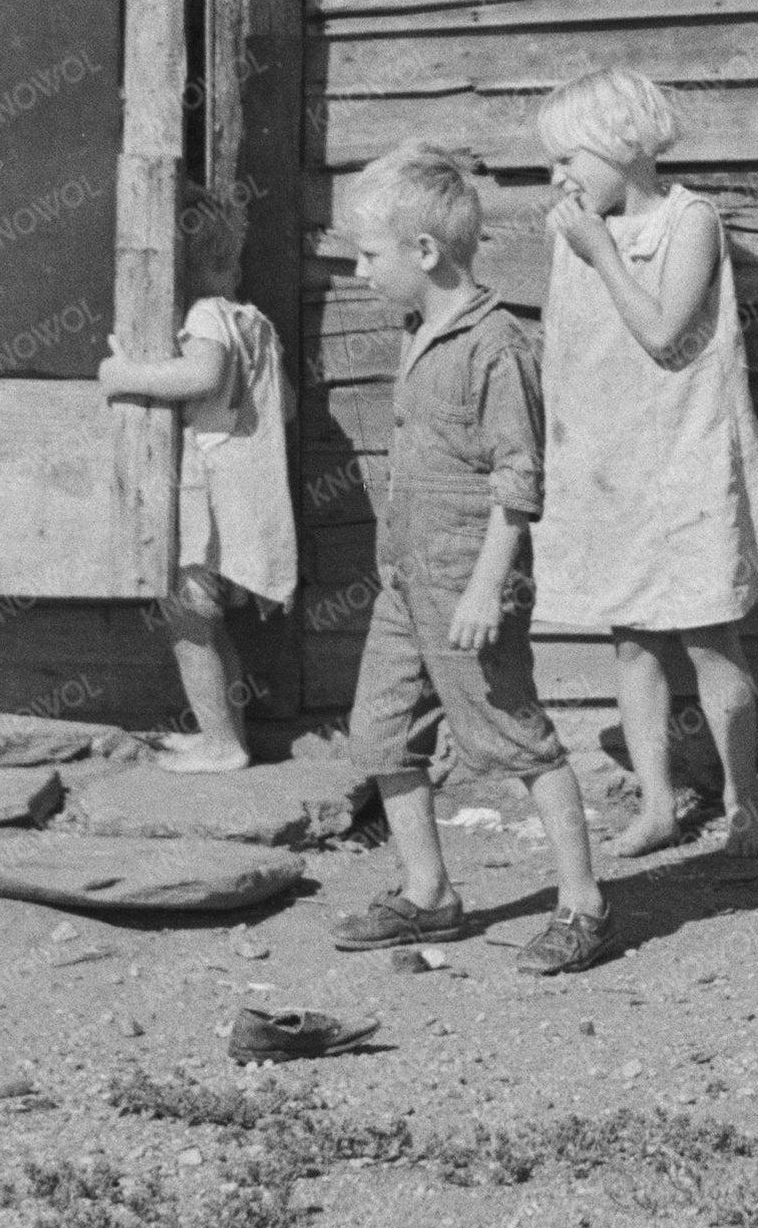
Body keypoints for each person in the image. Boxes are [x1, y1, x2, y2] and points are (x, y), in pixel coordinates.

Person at [317, 144, 613, 976]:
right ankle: (428, 895)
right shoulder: (420, 330)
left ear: (425, 251)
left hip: (468, 584)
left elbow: (521, 477)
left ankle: (585, 903)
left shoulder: (497, 347)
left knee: (514, 736)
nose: (358, 268)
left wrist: (489, 582)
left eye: (369, 253)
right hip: (406, 583)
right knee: (380, 732)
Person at [532, 69, 758, 864]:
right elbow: (568, 349)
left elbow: (665, 331)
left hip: (684, 454)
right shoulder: (573, 230)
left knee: (710, 636)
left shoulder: (691, 221)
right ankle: (656, 804)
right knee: (632, 642)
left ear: (625, 147)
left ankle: (745, 800)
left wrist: (601, 250)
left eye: (570, 157)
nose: (559, 178)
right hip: (615, 460)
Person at [92, 192, 297, 768]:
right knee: (207, 623)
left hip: (205, 501)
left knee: (187, 621)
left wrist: (126, 374)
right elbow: (284, 408)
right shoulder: (253, 323)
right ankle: (227, 735)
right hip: (239, 500)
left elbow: (203, 374)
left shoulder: (205, 314)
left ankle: (222, 745)